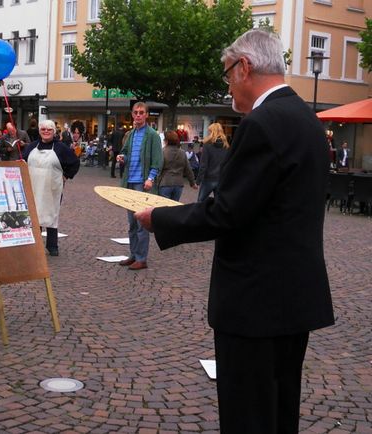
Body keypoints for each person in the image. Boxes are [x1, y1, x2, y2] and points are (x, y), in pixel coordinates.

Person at [135, 29, 334, 433]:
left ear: (244, 67)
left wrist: (161, 218)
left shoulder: (263, 123)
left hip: (255, 301)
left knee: (250, 415)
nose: (228, 87)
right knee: (281, 411)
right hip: (295, 296)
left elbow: (227, 211)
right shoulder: (306, 119)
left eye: (227, 75)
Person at [116, 101, 163, 270]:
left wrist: (150, 178)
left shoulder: (152, 135)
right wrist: (122, 157)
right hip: (129, 183)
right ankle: (134, 254)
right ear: (132, 114)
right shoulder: (131, 134)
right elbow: (126, 153)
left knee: (142, 224)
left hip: (143, 185)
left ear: (146, 115)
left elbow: (158, 161)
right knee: (132, 224)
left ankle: (142, 259)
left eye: (141, 112)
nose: (138, 115)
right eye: (135, 112)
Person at [22, 119, 80, 256]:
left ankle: (52, 245)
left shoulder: (61, 148)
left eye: (49, 129)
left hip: (52, 188)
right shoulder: (31, 146)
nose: (46, 132)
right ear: (39, 131)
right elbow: (22, 160)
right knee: (34, 215)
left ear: (54, 132)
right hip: (33, 186)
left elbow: (75, 163)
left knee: (51, 215)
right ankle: (34, 244)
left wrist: (66, 176)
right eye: (43, 129)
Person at [158, 130, 197, 201]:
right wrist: (192, 183)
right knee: (174, 208)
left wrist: (155, 182)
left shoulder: (162, 152)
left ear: (166, 140)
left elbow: (159, 168)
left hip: (165, 183)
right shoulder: (182, 152)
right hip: (178, 184)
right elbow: (188, 169)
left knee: (163, 208)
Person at [196, 122, 230, 202]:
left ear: (212, 132)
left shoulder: (207, 145)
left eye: (209, 131)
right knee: (219, 203)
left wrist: (198, 181)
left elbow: (203, 165)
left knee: (200, 202)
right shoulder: (226, 146)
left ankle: (201, 215)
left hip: (208, 178)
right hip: (221, 178)